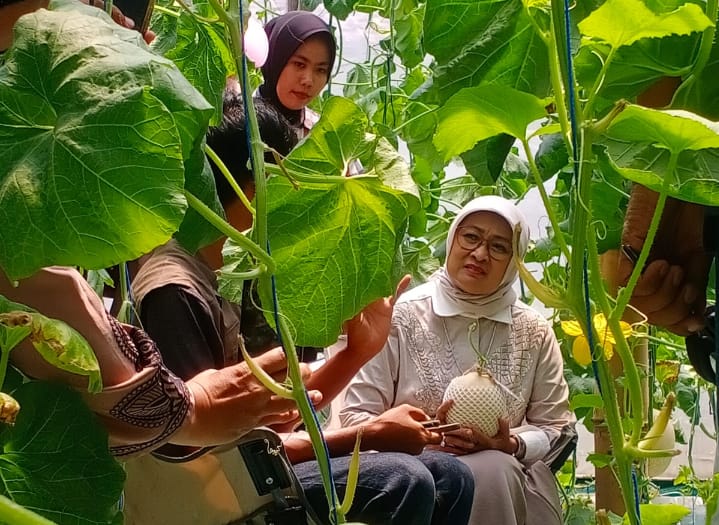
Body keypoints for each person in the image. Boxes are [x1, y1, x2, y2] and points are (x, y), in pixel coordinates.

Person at [131, 93, 475, 525]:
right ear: (259, 187)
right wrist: (365, 435)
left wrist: (359, 351)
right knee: (403, 480)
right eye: (300, 184)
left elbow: (275, 422)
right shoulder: (175, 289)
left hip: (251, 467)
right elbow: (222, 454)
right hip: (211, 493)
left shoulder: (238, 268)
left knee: (450, 476)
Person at [340, 195, 576, 525]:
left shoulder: (533, 330)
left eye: (498, 247)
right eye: (471, 237)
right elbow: (355, 416)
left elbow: (554, 428)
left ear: (515, 260)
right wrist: (414, 435)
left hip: (504, 476)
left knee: (495, 467)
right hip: (414, 469)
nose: (480, 254)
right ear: (452, 239)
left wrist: (509, 443)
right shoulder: (403, 315)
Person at [258, 11, 336, 138]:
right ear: (275, 60)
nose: (308, 81)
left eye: (321, 70)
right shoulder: (233, 124)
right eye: (299, 64)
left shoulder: (324, 134)